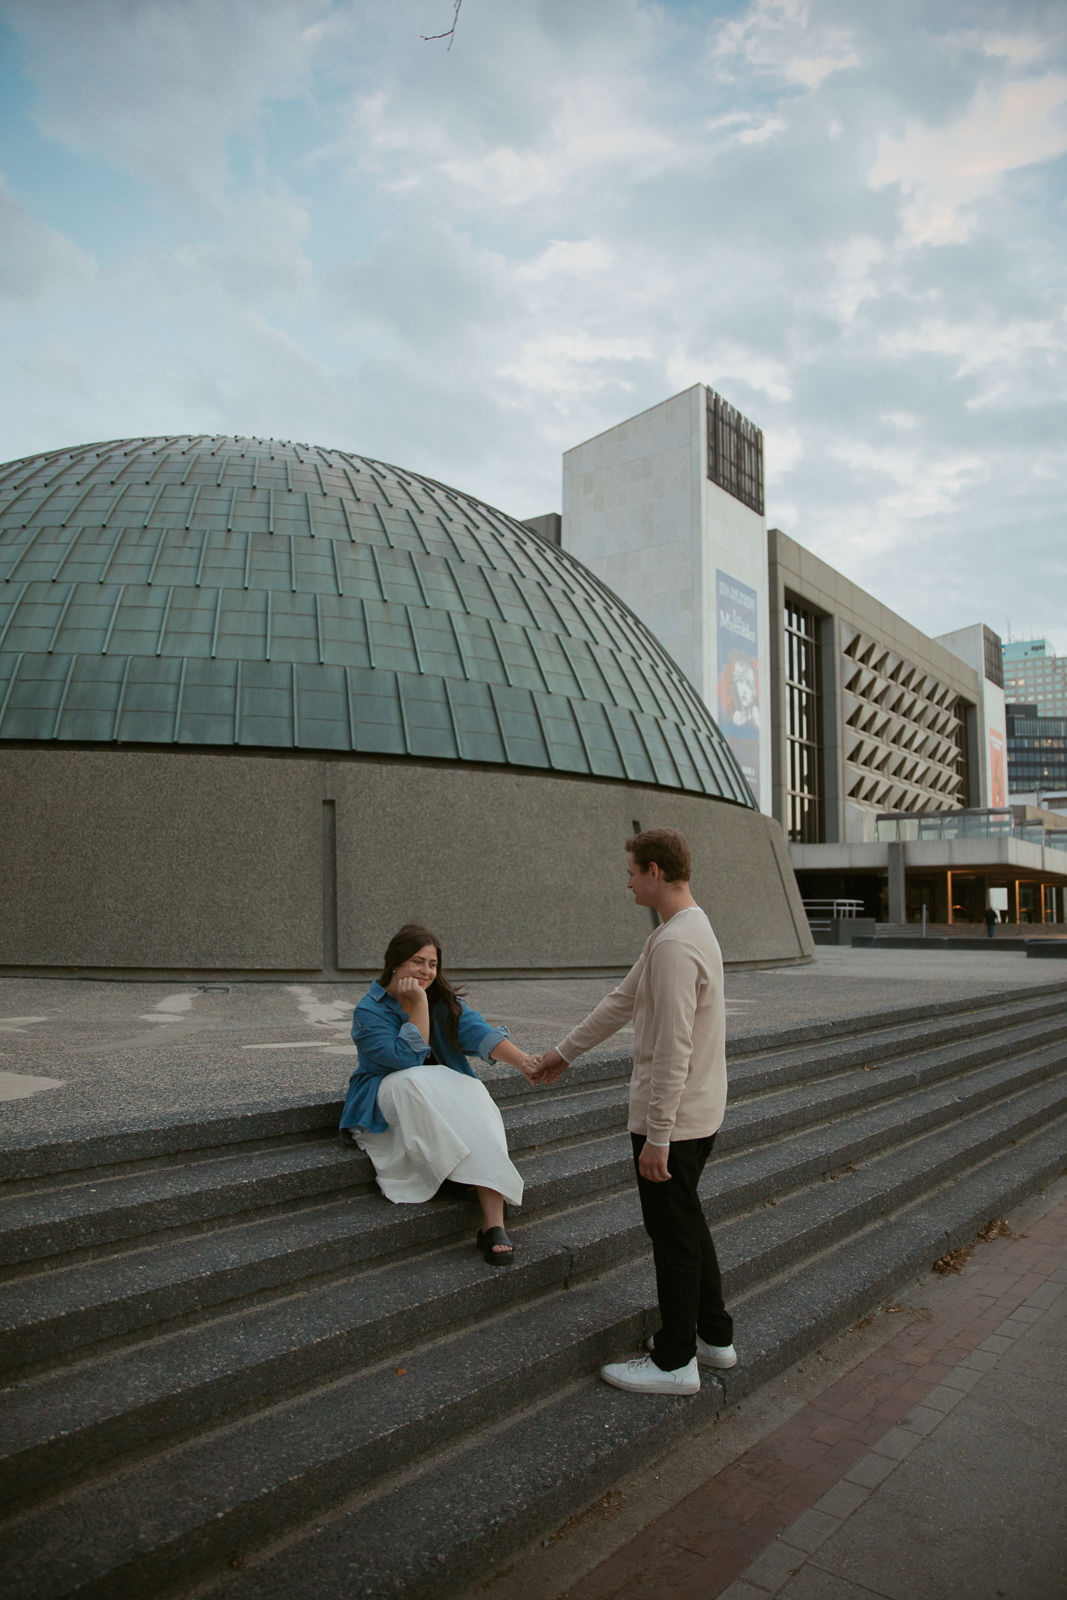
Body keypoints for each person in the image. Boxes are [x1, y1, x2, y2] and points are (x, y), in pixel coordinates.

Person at [535, 828, 734, 1394]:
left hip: (672, 1120)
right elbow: (621, 1001)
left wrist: (658, 1137)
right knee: (687, 1224)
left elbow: (675, 1047)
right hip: (697, 1111)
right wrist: (561, 1054)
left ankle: (676, 1363)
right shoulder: (685, 930)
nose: (625, 881)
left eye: (630, 871)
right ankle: (714, 1338)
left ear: (654, 872)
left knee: (672, 1237)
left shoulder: (674, 944)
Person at [340, 922, 538, 1264]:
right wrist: (417, 1005)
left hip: (439, 1093)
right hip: (388, 1094)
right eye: (418, 962)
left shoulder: (442, 1000)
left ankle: (493, 1224)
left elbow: (477, 1032)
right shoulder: (369, 1011)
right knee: (415, 1080)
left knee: (473, 1090)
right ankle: (455, 1172)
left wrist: (523, 1062)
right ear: (395, 963)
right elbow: (404, 1060)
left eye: (432, 964)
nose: (427, 971)